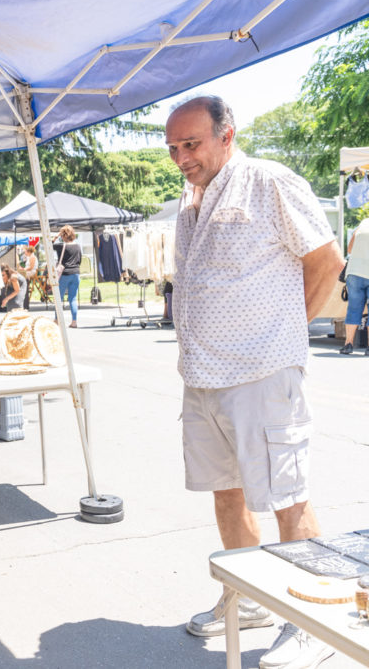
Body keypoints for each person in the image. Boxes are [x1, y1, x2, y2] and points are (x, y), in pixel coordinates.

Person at [166, 96, 343, 669]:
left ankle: (315, 619)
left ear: (227, 136)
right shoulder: (189, 203)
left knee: (287, 498)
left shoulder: (268, 182)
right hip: (204, 377)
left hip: (263, 375)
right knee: (228, 491)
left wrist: (286, 337)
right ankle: (246, 601)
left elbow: (325, 261)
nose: (181, 158)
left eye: (190, 144)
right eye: (173, 148)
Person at [340, 215, 369, 354]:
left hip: (355, 272)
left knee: (353, 308)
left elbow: (350, 249)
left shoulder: (362, 224)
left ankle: (348, 344)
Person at [52, 225, 82, 328]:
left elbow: (49, 244)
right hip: (76, 273)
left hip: (64, 274)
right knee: (73, 298)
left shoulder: (61, 246)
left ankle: (57, 320)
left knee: (58, 298)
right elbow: (80, 260)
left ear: (63, 235)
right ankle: (74, 321)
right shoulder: (78, 246)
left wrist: (56, 236)